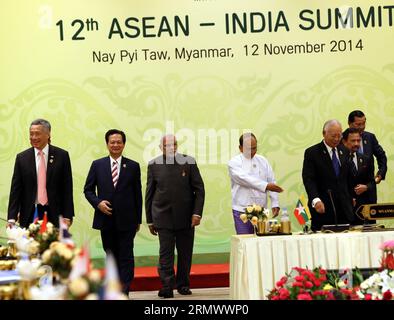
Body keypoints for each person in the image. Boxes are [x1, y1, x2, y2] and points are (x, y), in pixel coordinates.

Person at [145, 134, 205, 299]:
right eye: (166, 145)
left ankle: (183, 285)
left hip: (187, 217)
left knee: (185, 253)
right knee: (166, 254)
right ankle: (167, 286)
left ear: (177, 146)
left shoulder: (189, 162)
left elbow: (199, 190)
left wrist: (197, 213)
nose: (170, 148)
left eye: (173, 144)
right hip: (162, 217)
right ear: (160, 148)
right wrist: (149, 220)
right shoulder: (153, 165)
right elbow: (149, 194)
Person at [84, 129, 142, 296]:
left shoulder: (133, 166)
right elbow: (88, 190)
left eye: (119, 142)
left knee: (126, 255)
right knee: (111, 255)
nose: (116, 145)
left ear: (124, 144)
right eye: (112, 142)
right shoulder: (97, 165)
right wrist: (98, 203)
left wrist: (138, 219)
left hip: (127, 220)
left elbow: (137, 195)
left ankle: (124, 291)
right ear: (107, 144)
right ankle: (114, 288)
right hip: (106, 219)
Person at [7, 119, 74, 228]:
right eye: (31, 134)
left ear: (48, 134)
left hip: (55, 213)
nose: (33, 137)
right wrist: (11, 217)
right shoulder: (22, 158)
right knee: (30, 245)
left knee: (53, 245)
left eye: (37, 134)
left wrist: (67, 215)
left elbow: (67, 188)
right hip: (30, 213)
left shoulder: (62, 156)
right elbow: (15, 190)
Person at [302, 120, 354, 231]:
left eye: (339, 136)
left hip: (344, 210)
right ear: (324, 133)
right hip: (323, 207)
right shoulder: (312, 153)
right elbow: (309, 179)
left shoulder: (344, 151)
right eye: (333, 136)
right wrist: (315, 200)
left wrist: (351, 196)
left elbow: (347, 178)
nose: (336, 139)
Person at [228, 133, 283, 234]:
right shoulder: (234, 163)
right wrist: (266, 186)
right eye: (249, 149)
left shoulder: (263, 161)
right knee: (245, 242)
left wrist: (275, 203)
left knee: (262, 242)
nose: (252, 152)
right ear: (240, 148)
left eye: (255, 148)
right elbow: (245, 179)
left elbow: (272, 181)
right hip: (242, 209)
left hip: (261, 209)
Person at [341, 128, 376, 225]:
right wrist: (347, 198)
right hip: (344, 211)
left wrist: (366, 187)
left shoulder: (365, 159)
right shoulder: (338, 160)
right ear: (344, 141)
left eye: (358, 140)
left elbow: (372, 182)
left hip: (363, 210)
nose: (356, 144)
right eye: (353, 141)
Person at [348, 110, 387, 185]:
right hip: (350, 189)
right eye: (358, 124)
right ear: (349, 123)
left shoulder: (370, 137)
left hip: (369, 187)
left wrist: (380, 174)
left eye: (363, 123)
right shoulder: (342, 139)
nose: (362, 127)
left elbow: (381, 156)